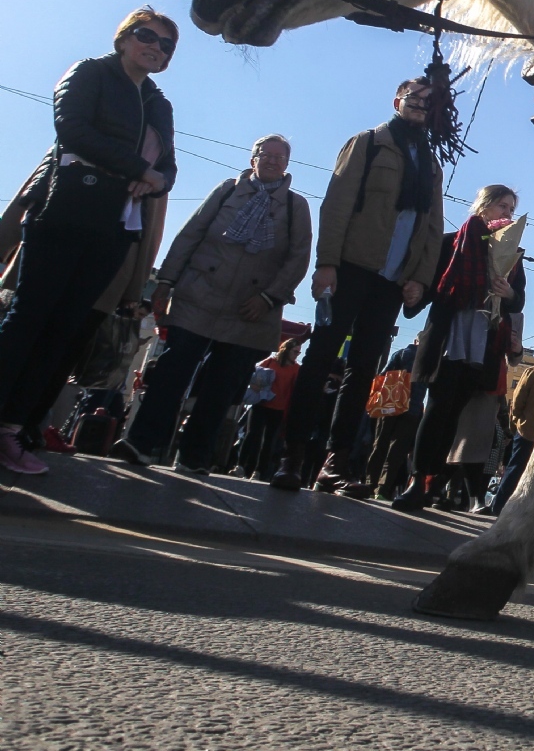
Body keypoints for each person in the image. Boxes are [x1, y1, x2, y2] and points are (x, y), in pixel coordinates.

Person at [0, 8, 178, 475]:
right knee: (28, 318)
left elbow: (170, 169)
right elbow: (71, 129)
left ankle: (13, 430)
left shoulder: (159, 104)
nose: (155, 47)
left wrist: (155, 182)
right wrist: (138, 169)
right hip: (68, 206)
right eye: (146, 36)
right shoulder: (90, 72)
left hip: (117, 224)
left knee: (64, 331)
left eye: (165, 45)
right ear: (124, 38)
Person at [274, 79, 444, 492]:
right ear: (397, 101)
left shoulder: (431, 163)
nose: (422, 105)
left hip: (392, 280)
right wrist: (327, 263)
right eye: (415, 98)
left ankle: (337, 460)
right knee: (319, 360)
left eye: (429, 101)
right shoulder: (369, 143)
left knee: (363, 369)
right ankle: (293, 455)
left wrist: (420, 278)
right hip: (351, 266)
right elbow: (337, 204)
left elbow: (432, 227)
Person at [113, 135, 309, 471]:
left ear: (287, 164)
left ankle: (194, 456)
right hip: (199, 295)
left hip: (249, 309)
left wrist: (268, 298)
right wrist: (166, 282)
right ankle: (141, 443)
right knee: (171, 374)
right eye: (266, 154)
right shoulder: (228, 190)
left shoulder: (295, 206)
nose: (273, 161)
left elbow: (298, 258)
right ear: (253, 159)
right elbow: (191, 233)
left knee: (221, 389)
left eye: (280, 157)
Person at [390, 185, 523, 512]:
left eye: (511, 208)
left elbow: (518, 300)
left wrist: (507, 294)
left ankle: (434, 481)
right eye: (501, 206)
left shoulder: (512, 254)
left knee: (454, 414)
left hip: (484, 344)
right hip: (450, 338)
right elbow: (430, 283)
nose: (507, 213)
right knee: (437, 409)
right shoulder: (453, 242)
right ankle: (417, 480)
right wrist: (413, 294)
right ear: (484, 206)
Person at [488, 346, 534, 515]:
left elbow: (517, 402)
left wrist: (516, 423)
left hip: (527, 430)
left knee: (515, 469)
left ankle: (499, 507)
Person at [235, 335, 304, 480]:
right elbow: (255, 372)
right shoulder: (271, 362)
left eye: (298, 352)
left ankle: (259, 471)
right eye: (295, 351)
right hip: (261, 404)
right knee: (252, 435)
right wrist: (254, 385)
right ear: (286, 349)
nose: (297, 354)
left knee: (269, 441)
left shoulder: (296, 369)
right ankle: (240, 466)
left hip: (278, 408)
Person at [363, 340, 419, 499]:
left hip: (390, 403)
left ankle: (369, 483)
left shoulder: (401, 353)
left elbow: (382, 375)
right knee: (397, 450)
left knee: (380, 443)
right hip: (412, 408)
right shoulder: (429, 359)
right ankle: (383, 488)